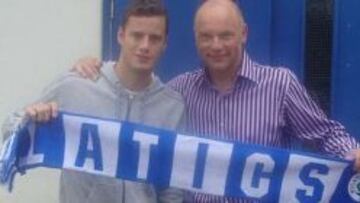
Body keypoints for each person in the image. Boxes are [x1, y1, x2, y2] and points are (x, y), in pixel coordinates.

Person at [72, 0, 360, 202]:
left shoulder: (280, 84)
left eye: (225, 35)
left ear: (243, 34)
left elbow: (324, 134)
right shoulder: (178, 92)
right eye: (206, 37)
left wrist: (352, 151)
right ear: (196, 39)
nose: (216, 45)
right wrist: (97, 69)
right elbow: (133, 104)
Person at [1, 0, 185, 202]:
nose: (144, 46)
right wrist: (31, 116)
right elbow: (9, 135)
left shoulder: (172, 106)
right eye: (137, 35)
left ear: (165, 44)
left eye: (154, 38)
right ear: (121, 36)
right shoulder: (77, 86)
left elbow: (172, 184)